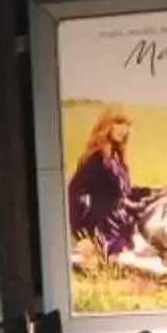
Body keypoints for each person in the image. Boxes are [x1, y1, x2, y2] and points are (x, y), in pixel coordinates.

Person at [67, 110, 143, 258]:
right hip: (101, 225)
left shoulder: (117, 159)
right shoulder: (96, 159)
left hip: (120, 223)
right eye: (118, 123)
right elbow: (73, 193)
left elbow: (123, 193)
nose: (123, 129)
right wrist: (80, 233)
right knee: (122, 258)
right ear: (107, 126)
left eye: (126, 125)